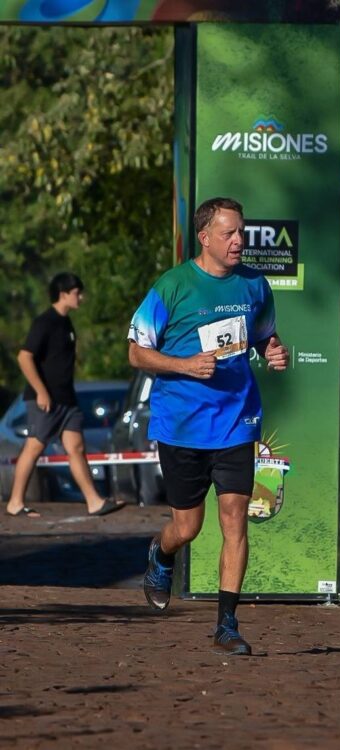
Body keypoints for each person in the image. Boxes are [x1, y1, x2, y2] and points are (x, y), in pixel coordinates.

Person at [128, 197, 289, 656]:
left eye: (241, 232)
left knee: (236, 519)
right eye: (229, 233)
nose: (239, 241)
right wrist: (182, 365)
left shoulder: (255, 285)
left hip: (238, 420)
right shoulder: (173, 287)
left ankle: (228, 625)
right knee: (188, 527)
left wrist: (275, 352)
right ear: (204, 237)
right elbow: (137, 353)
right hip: (182, 424)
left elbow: (264, 337)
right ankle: (161, 553)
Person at [6, 272, 125, 519]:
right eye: (76, 293)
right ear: (63, 294)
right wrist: (41, 392)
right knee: (34, 446)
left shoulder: (66, 323)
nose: (80, 297)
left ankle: (94, 501)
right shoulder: (45, 322)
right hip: (46, 400)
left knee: (76, 447)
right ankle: (15, 502)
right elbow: (24, 356)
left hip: (67, 399)